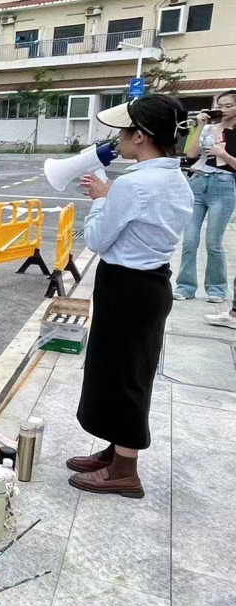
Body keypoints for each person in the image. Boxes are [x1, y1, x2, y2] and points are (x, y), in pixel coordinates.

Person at [68, 96, 193, 498]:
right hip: (150, 284)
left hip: (125, 286)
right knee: (122, 369)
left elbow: (97, 239)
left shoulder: (133, 184)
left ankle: (125, 470)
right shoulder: (175, 178)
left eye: (123, 131)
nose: (118, 138)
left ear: (140, 136)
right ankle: (114, 450)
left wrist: (101, 199)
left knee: (122, 375)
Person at [174, 90, 236, 302]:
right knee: (189, 240)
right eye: (220, 106)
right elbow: (191, 154)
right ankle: (185, 287)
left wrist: (223, 154)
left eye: (228, 106)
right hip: (198, 182)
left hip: (224, 185)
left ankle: (217, 289)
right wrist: (199, 126)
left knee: (213, 241)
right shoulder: (209, 129)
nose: (223, 110)